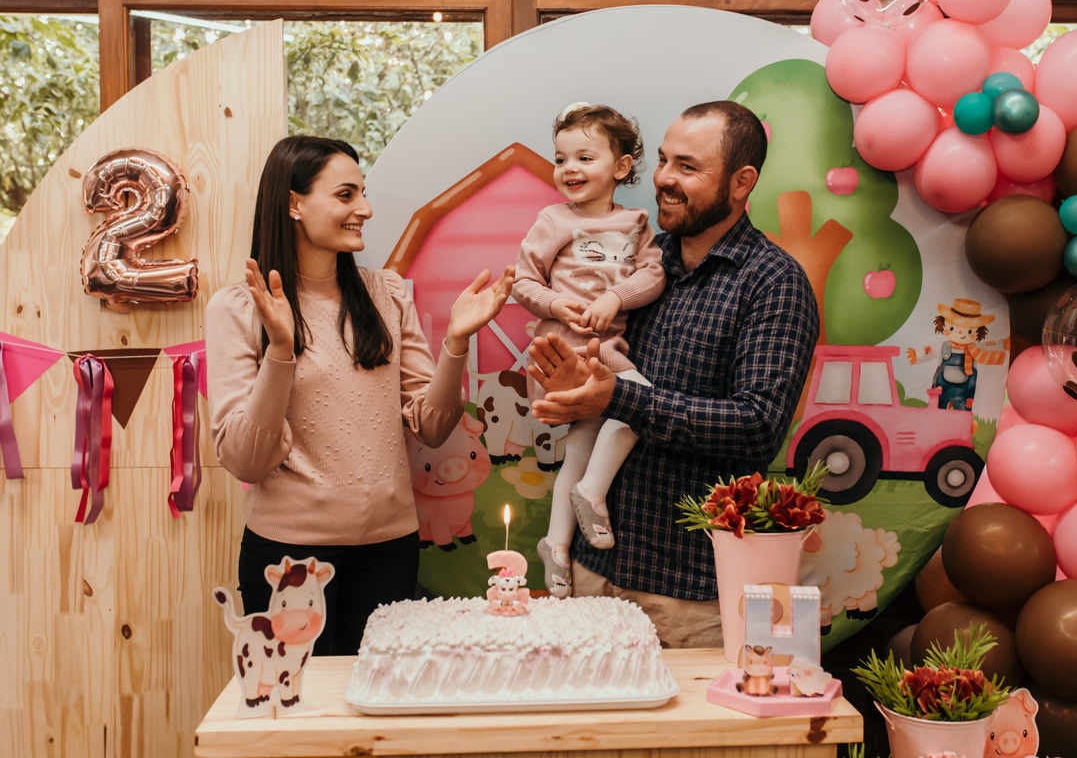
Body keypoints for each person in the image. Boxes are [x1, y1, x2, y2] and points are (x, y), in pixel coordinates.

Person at [206, 135, 514, 656]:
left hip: (389, 551)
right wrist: (280, 350)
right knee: (296, 700)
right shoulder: (239, 309)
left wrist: (457, 343)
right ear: (294, 203)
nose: (365, 210)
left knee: (375, 699)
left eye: (363, 194)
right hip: (288, 559)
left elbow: (434, 427)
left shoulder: (386, 294)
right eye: (346, 195)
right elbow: (245, 459)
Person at [529, 101, 820, 648]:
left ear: (741, 182)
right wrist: (571, 381)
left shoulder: (774, 283)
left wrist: (619, 399)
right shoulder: (638, 261)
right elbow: (591, 364)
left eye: (687, 167)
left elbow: (757, 426)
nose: (663, 178)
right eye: (663, 160)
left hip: (691, 591)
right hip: (595, 573)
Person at [513, 103, 665, 598]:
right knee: (639, 403)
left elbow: (654, 274)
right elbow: (523, 281)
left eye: (584, 158)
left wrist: (615, 297)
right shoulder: (552, 220)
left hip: (605, 349)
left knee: (583, 444)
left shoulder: (636, 222)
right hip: (564, 351)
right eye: (561, 159)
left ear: (621, 167)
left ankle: (556, 547)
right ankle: (591, 492)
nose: (569, 169)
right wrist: (557, 303)